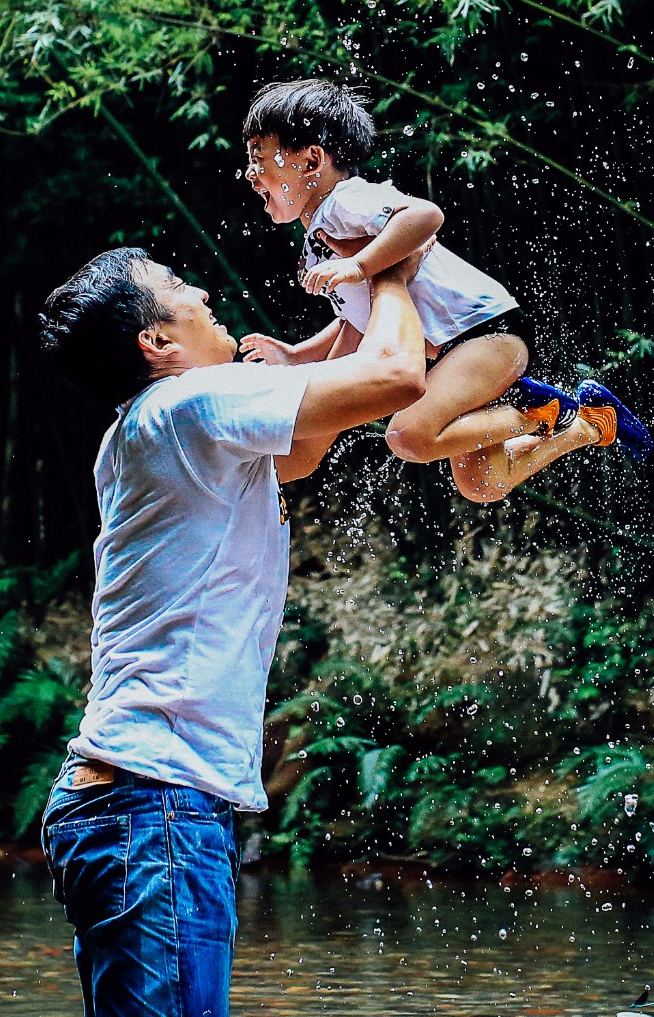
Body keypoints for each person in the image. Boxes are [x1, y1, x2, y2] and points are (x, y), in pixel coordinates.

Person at [33, 246, 428, 1017]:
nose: (204, 290)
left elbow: (308, 444)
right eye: (179, 289)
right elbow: (397, 378)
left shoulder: (155, 427)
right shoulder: (192, 405)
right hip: (154, 808)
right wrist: (391, 265)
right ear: (157, 344)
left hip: (141, 808)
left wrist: (352, 304)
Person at [233, 78, 651, 502]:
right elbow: (359, 321)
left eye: (258, 158)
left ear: (311, 161)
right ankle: (590, 422)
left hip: (484, 332)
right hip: (458, 353)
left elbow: (425, 215)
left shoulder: (345, 202)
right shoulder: (319, 235)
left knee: (408, 435)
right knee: (483, 483)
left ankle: (537, 414)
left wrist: (360, 265)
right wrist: (297, 356)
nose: (249, 173)